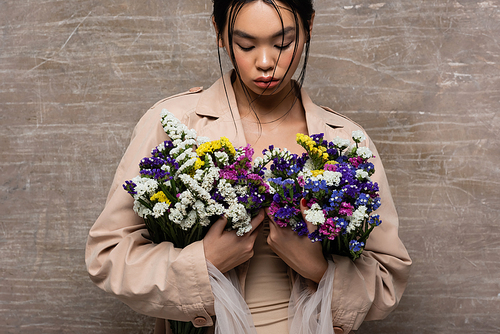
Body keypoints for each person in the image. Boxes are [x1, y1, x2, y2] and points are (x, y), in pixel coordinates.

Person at [85, 1, 412, 333]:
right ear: (220, 33)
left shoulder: (347, 141)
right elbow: (108, 255)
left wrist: (320, 270)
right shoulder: (173, 124)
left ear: (309, 25)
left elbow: (388, 277)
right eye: (246, 44)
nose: (266, 62)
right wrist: (204, 264)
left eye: (283, 43)